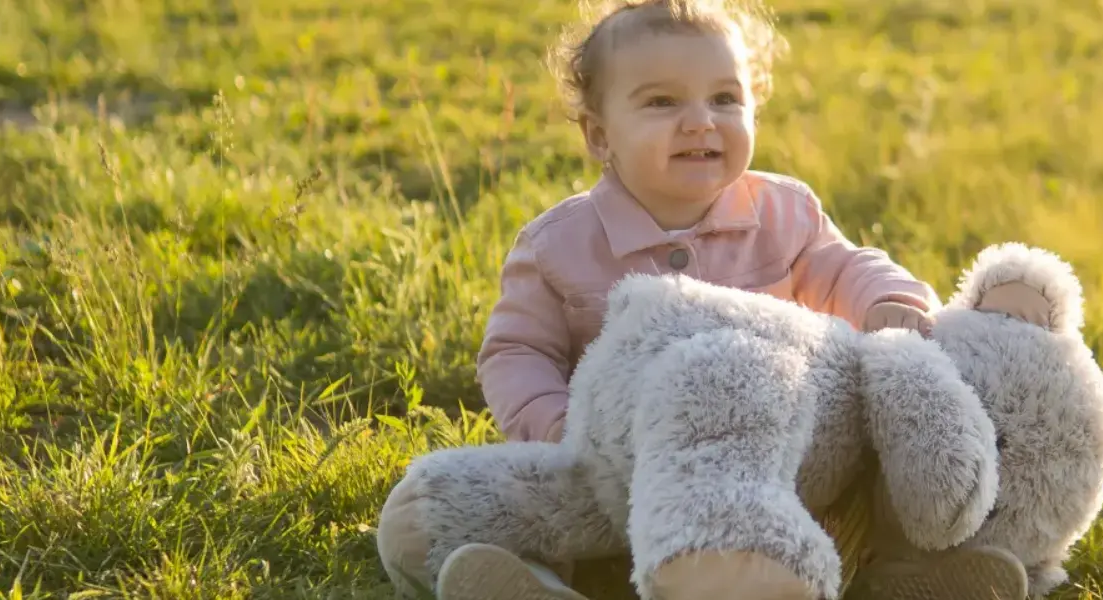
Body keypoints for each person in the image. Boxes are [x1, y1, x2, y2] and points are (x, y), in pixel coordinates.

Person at [378, 0, 1054, 597]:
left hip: (788, 459)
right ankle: (540, 583)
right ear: (599, 134)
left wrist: (889, 296)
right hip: (624, 468)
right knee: (426, 517)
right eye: (662, 103)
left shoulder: (784, 211)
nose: (700, 122)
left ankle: (905, 572)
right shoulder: (558, 246)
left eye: (725, 99)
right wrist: (557, 428)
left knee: (880, 451)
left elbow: (842, 264)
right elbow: (518, 350)